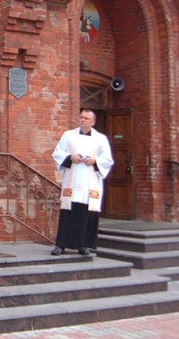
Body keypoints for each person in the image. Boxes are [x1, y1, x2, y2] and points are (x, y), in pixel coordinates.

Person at [50, 109, 114, 256]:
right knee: (68, 214)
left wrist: (95, 161)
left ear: (93, 122)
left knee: (87, 214)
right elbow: (58, 153)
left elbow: (107, 160)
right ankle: (61, 245)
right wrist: (70, 157)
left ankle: (84, 246)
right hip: (72, 182)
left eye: (86, 118)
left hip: (89, 183)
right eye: (81, 117)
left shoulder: (100, 139)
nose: (83, 120)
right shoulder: (68, 135)